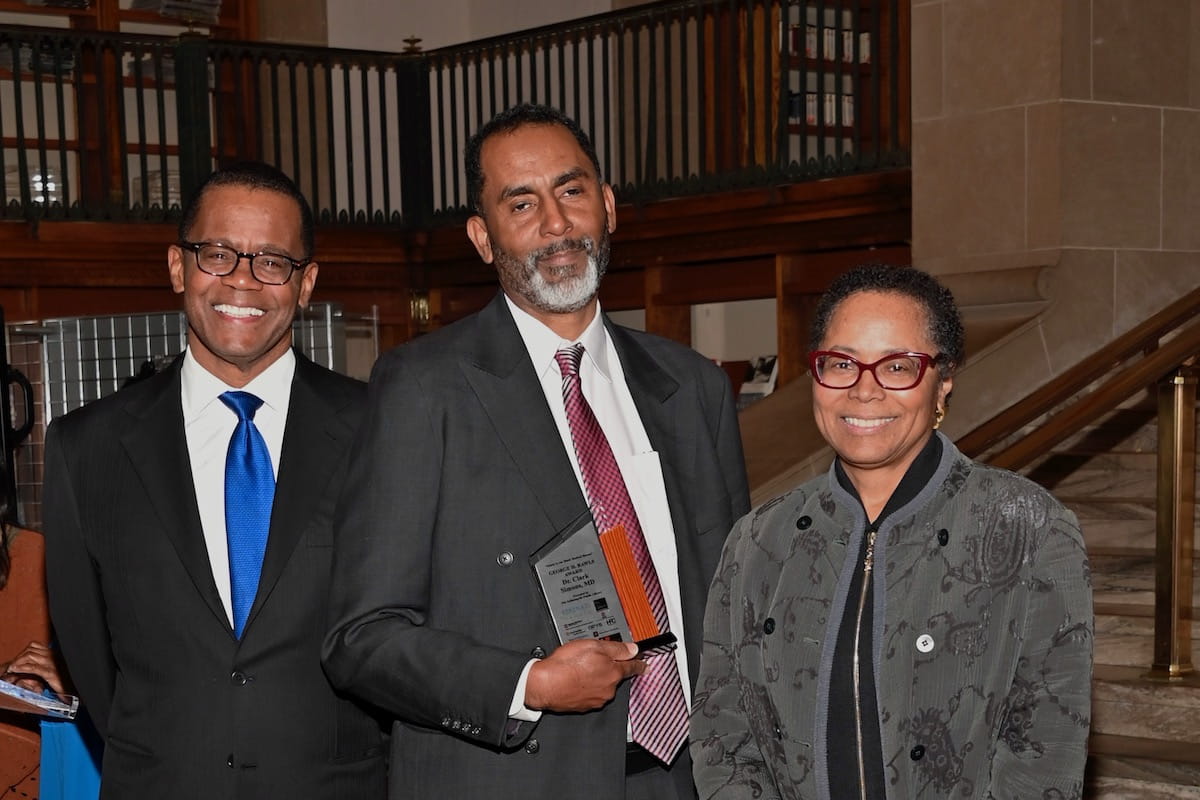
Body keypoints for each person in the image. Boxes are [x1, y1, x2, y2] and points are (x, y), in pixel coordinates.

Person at [322, 103, 750, 800]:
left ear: (608, 206)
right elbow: (361, 639)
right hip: (517, 776)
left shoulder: (692, 387)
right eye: (521, 204)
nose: (555, 224)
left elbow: (734, 604)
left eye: (571, 191)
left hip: (693, 779)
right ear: (482, 238)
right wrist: (527, 684)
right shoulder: (423, 389)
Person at [42, 161, 386, 799]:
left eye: (272, 261)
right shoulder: (85, 448)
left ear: (306, 283)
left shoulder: (380, 430)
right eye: (218, 254)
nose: (243, 282)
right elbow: (89, 654)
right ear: (178, 266)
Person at [690, 264, 1093, 799]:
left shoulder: (1028, 527)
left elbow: (1046, 751)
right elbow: (723, 739)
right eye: (842, 363)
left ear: (942, 379)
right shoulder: (759, 541)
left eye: (898, 366)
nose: (864, 390)